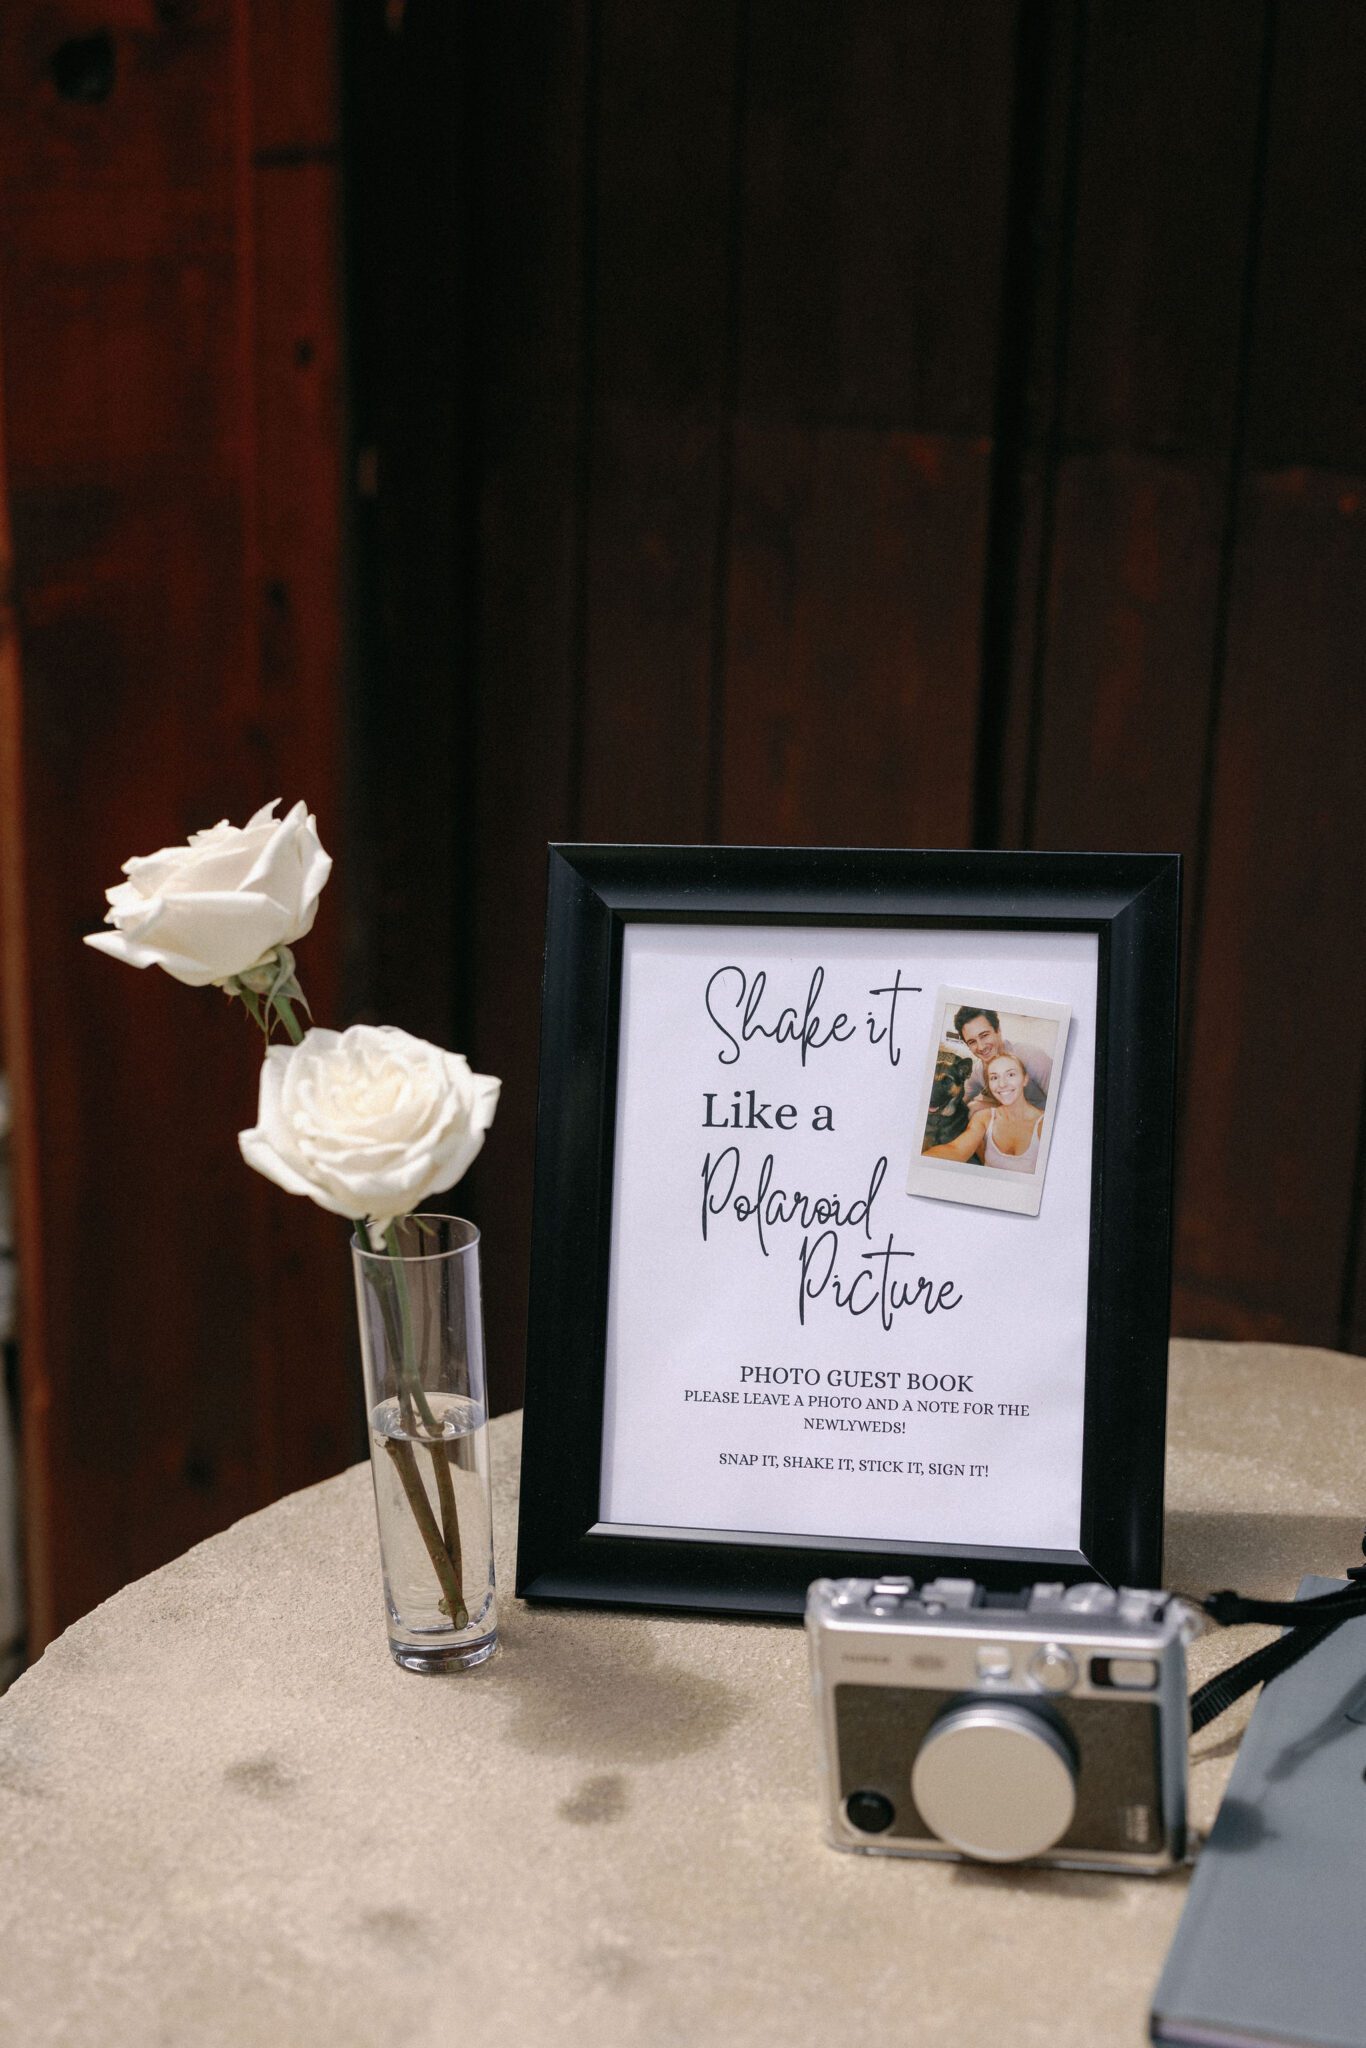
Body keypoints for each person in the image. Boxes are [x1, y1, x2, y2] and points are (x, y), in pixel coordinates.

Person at [925, 1050, 1043, 1173]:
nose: (1002, 1084)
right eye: (994, 1077)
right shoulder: (983, 1118)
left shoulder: (1045, 1125)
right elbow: (955, 1150)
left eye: (1011, 1075)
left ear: (1025, 1079)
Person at [954, 1005, 1051, 1110]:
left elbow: (1063, 1103)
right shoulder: (977, 1072)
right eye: (972, 1042)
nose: (981, 1047)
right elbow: (959, 1102)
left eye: (984, 1035)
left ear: (998, 1030)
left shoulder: (1032, 1057)